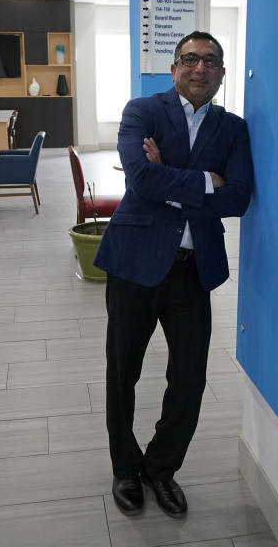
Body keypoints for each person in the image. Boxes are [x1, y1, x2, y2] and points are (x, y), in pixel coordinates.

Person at [94, 31, 254, 518]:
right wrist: (207, 180)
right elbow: (139, 178)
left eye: (210, 61)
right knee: (124, 373)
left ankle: (160, 469)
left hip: (193, 271)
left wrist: (172, 178)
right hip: (133, 264)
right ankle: (126, 467)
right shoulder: (142, 111)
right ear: (174, 68)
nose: (199, 67)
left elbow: (238, 199)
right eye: (190, 58)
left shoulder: (234, 128)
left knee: (189, 378)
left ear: (222, 74)